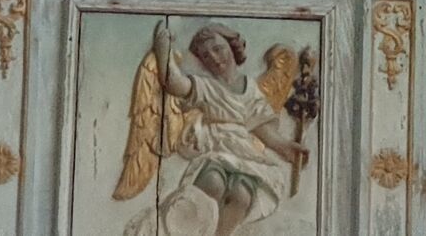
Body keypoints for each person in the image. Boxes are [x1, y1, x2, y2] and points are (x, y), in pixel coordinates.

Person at [118, 23, 309, 236]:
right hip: (216, 148)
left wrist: (285, 147)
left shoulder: (251, 89)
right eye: (206, 56)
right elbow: (173, 82)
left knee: (243, 194)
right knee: (213, 183)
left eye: (218, 49)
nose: (215, 59)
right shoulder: (204, 86)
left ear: (233, 46)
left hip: (244, 153)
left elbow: (261, 128)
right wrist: (163, 48)